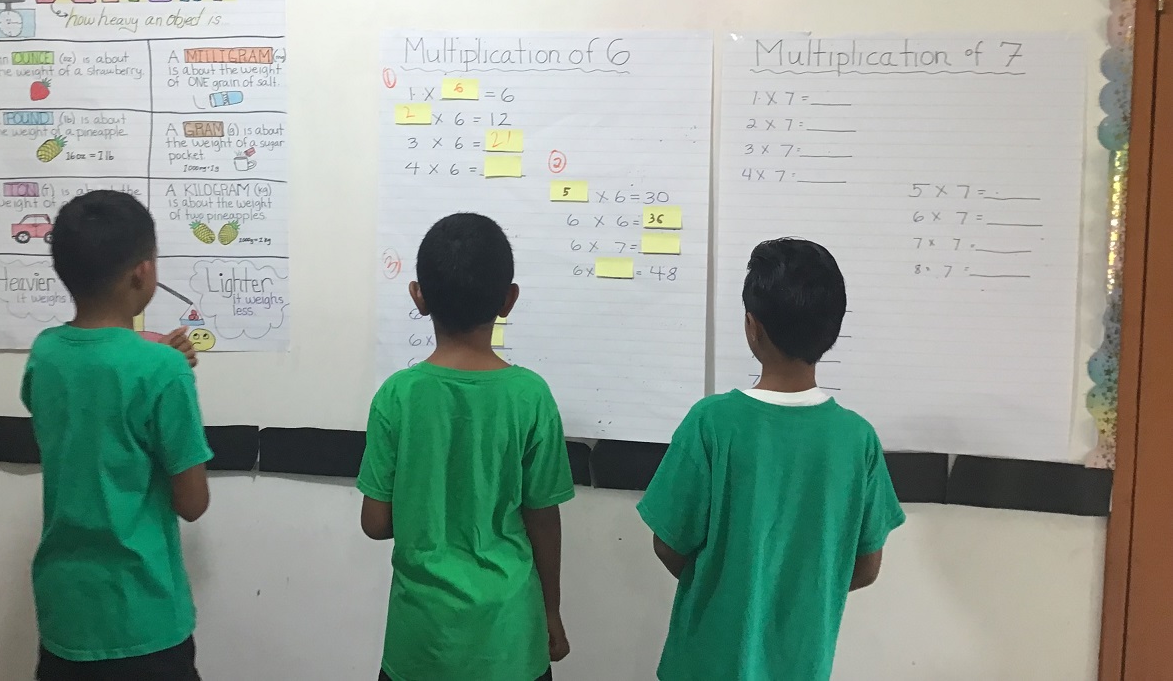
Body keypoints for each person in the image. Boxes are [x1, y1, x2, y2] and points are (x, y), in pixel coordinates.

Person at [638, 237, 905, 681]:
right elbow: (866, 566)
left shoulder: (711, 423)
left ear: (752, 326)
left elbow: (667, 543)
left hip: (705, 664)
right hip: (802, 664)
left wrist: (726, 587)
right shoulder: (858, 439)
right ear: (833, 329)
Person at [357, 213, 575, 681]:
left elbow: (375, 523)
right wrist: (551, 612)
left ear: (418, 296)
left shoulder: (396, 396)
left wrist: (429, 506)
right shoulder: (530, 396)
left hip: (420, 643)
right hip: (510, 640)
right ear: (508, 300)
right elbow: (543, 520)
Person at [21, 190, 213, 681]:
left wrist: (156, 359)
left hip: (66, 611)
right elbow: (192, 502)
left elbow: (93, 401)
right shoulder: (163, 370)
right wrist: (163, 367)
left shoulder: (45, 354)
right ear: (143, 272)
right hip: (143, 615)